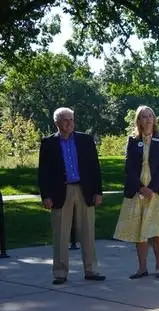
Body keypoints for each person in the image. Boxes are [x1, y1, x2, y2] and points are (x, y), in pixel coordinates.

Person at [37, 107, 106, 285]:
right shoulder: (48, 143)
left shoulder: (85, 140)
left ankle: (91, 270)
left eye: (71, 119)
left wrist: (98, 191)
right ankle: (60, 273)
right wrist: (46, 196)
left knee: (88, 232)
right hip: (61, 192)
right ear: (56, 122)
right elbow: (43, 173)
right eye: (65, 120)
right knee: (61, 234)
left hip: (84, 190)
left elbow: (94, 168)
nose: (69, 123)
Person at [113, 105, 159, 279]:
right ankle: (142, 268)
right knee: (140, 228)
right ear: (138, 120)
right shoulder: (132, 140)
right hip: (137, 189)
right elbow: (128, 167)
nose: (147, 120)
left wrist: (151, 189)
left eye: (150, 116)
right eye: (144, 117)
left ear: (154, 120)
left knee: (157, 227)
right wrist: (140, 187)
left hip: (157, 191)